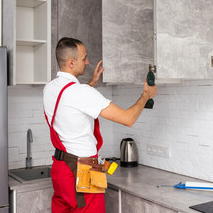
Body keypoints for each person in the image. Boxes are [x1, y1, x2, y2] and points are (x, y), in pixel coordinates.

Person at [43, 37, 157, 212]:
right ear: (71, 63)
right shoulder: (82, 93)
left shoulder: (50, 88)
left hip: (61, 170)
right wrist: (146, 95)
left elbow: (71, 102)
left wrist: (92, 83)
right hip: (83, 171)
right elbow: (128, 119)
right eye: (84, 58)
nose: (88, 62)